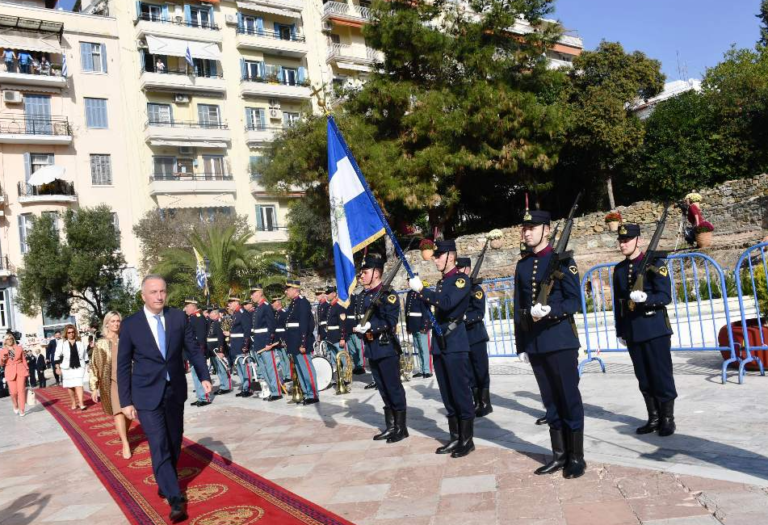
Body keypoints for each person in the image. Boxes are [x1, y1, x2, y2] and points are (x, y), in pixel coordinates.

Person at [117, 274, 211, 523]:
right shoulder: (131, 324)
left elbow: (192, 348)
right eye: (154, 292)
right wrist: (125, 401)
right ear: (143, 296)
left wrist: (204, 376)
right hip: (146, 393)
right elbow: (123, 364)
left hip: (174, 390)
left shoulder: (178, 317)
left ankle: (164, 478)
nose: (159, 296)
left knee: (173, 440)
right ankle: (175, 497)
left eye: (162, 291)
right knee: (158, 443)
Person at [513, 210, 585, 479]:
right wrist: (521, 344)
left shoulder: (564, 262)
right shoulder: (522, 265)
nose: (527, 232)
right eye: (525, 227)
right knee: (550, 401)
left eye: (533, 227)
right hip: (536, 343)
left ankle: (576, 457)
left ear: (547, 229)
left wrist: (550, 311)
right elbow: (518, 306)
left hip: (560, 340)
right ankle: (559, 455)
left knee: (568, 398)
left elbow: (574, 302)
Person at [409, 240, 476, 458]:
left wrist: (423, 290)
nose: (435, 259)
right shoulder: (442, 282)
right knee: (447, 394)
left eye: (439, 256)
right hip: (440, 344)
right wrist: (421, 294)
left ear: (450, 256)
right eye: (435, 256)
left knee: (460, 393)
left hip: (455, 344)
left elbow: (446, 304)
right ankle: (454, 437)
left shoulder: (460, 280)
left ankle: (467, 440)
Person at [613, 223, 677, 437]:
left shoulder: (654, 263)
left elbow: (665, 296)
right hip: (633, 331)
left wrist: (647, 299)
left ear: (638, 240)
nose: (623, 244)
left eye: (627, 240)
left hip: (655, 329)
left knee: (661, 375)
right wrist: (620, 330)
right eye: (621, 240)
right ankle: (654, 417)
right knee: (643, 377)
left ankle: (667, 418)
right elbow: (618, 303)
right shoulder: (619, 270)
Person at [355, 254, 408, 442]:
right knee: (383, 389)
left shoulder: (388, 295)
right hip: (372, 348)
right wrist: (360, 328)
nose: (361, 276)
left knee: (393, 388)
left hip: (386, 348)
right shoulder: (364, 296)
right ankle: (391, 426)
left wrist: (371, 326)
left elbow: (390, 320)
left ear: (376, 273)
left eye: (365, 272)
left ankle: (401, 428)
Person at [90, 312, 134, 459]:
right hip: (111, 381)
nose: (116, 324)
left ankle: (124, 435)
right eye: (113, 321)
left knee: (128, 413)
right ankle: (126, 444)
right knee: (118, 411)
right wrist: (94, 387)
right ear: (107, 323)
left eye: (118, 321)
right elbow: (94, 365)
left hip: (129, 379)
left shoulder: (126, 339)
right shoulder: (101, 343)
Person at [457, 257, 492, 417]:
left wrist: (465, 317)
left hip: (476, 335)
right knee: (469, 371)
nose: (459, 271)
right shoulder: (458, 288)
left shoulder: (475, 289)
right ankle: (476, 401)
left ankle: (485, 403)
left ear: (468, 269)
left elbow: (479, 312)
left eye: (462, 268)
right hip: (463, 336)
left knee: (480, 369)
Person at [284, 280, 319, 404]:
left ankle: (313, 394)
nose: (286, 291)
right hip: (294, 341)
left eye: (288, 289)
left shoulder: (302, 303)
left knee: (306, 368)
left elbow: (304, 324)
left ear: (295, 289)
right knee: (299, 368)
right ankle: (306, 392)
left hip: (300, 341)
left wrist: (303, 343)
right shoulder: (293, 303)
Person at [249, 285, 281, 401]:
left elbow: (271, 326)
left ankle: (277, 392)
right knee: (263, 369)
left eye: (253, 293)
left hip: (266, 343)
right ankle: (271, 391)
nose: (251, 296)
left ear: (260, 293)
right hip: (258, 343)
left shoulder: (266, 307)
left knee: (270, 368)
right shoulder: (258, 307)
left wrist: (269, 342)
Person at [54, 324, 89, 411]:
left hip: (79, 367)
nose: (71, 334)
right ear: (66, 333)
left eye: (73, 332)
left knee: (79, 384)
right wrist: (57, 368)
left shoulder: (80, 342)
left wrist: (88, 365)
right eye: (69, 332)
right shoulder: (62, 343)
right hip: (67, 368)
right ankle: (73, 402)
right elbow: (57, 356)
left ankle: (81, 403)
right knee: (70, 386)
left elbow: (85, 355)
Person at [184, 298, 210, 407]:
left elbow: (201, 337)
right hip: (193, 351)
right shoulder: (192, 318)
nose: (185, 309)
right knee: (195, 375)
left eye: (187, 306)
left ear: (193, 306)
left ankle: (205, 397)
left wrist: (200, 352)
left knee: (200, 374)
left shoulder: (198, 318)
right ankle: (200, 396)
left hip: (198, 351)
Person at [404, 281, 433, 379]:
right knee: (418, 348)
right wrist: (408, 326)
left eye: (410, 281)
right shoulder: (410, 294)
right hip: (413, 325)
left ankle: (427, 370)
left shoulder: (422, 293)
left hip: (421, 325)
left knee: (424, 348)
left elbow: (426, 311)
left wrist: (424, 326)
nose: (408, 283)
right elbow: (407, 312)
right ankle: (421, 369)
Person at [226, 295, 253, 397]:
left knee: (245, 367)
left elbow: (247, 330)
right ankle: (244, 386)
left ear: (236, 302)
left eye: (231, 302)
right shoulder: (236, 314)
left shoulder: (243, 313)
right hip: (235, 345)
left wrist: (245, 345)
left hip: (241, 344)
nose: (229, 304)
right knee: (240, 369)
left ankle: (248, 388)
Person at [1, 334, 29, 416]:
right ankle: (15, 405)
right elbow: (1, 364)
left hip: (20, 370)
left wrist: (27, 370)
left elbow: (23, 360)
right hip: (9, 371)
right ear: (5, 341)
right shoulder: (2, 351)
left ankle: (22, 409)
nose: (9, 340)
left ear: (13, 339)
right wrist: (3, 360)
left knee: (21, 391)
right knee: (13, 392)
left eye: (11, 338)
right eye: (7, 339)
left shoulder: (19, 348)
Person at [206, 307, 231, 395]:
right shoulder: (213, 322)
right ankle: (223, 385)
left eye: (211, 314)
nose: (210, 315)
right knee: (218, 369)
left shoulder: (219, 323)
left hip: (217, 349)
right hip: (212, 350)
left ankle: (226, 386)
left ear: (216, 314)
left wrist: (221, 351)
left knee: (222, 368)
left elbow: (221, 338)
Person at [344, 292, 366, 375]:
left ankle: (361, 365)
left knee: (359, 348)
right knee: (352, 349)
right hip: (348, 328)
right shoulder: (343, 299)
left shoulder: (356, 297)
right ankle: (357, 366)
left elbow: (357, 314)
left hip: (356, 327)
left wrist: (357, 326)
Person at [271, 296, 291, 382]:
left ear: (278, 302)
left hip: (283, 338)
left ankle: (289, 375)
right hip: (277, 339)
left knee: (286, 358)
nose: (272, 304)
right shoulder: (276, 313)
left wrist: (285, 339)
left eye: (273, 302)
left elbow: (286, 327)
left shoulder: (284, 313)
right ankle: (285, 374)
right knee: (281, 358)